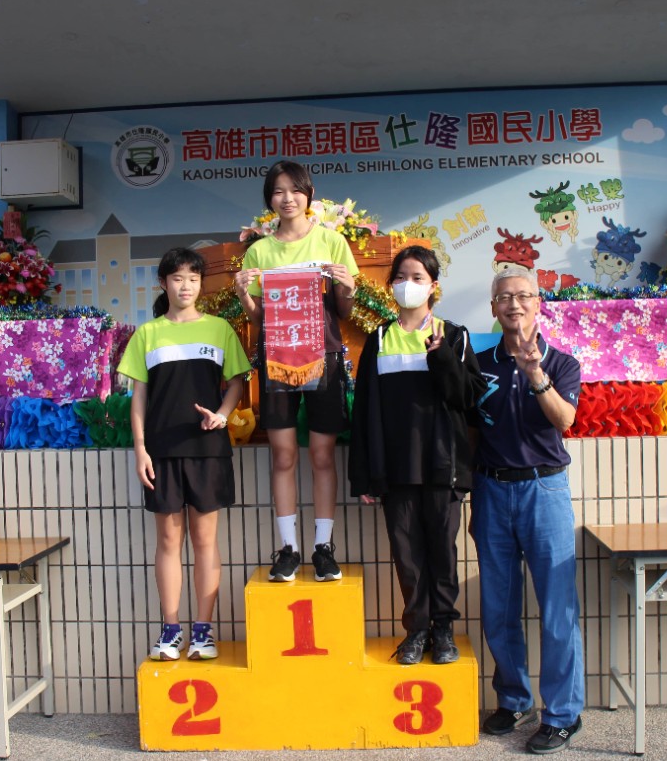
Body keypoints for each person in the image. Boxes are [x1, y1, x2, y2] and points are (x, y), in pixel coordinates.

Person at [349, 245, 485, 665]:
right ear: (391, 285)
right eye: (401, 277)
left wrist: (441, 357)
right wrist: (366, 475)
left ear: (433, 286)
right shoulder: (379, 339)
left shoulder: (454, 335)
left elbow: (468, 397)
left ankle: (443, 630)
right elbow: (364, 410)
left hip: (444, 466)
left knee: (442, 552)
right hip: (397, 469)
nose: (407, 285)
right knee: (407, 556)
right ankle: (417, 630)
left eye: (417, 277)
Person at [472, 265, 585, 755]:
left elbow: (565, 419)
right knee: (498, 606)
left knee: (557, 608)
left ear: (539, 304)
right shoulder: (477, 364)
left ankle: (562, 715)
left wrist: (535, 372)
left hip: (545, 490)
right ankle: (514, 699)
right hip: (491, 490)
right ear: (493, 308)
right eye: (504, 297)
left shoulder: (562, 363)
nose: (513, 304)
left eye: (523, 296)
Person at [118, 247, 250, 661]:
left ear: (201, 284)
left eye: (193, 278)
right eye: (177, 278)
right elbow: (139, 397)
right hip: (162, 452)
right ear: (163, 283)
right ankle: (171, 629)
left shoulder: (219, 329)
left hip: (208, 451)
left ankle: (203, 632)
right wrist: (140, 449)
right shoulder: (148, 334)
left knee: (206, 541)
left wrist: (222, 416)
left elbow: (237, 382)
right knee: (168, 541)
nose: (186, 286)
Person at [234, 160, 359, 582]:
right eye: (278, 191)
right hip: (276, 360)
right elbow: (257, 318)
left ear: (309, 194)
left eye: (294, 190)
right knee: (283, 455)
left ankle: (323, 547)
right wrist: (243, 295)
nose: (287, 199)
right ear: (269, 199)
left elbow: (344, 310)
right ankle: (288, 549)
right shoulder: (259, 251)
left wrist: (347, 287)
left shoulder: (332, 241)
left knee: (322, 455)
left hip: (323, 356)